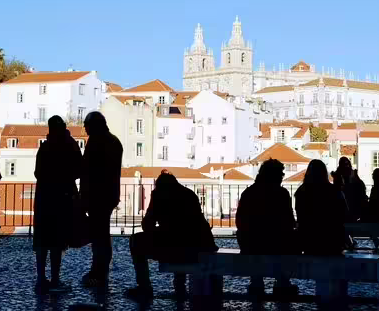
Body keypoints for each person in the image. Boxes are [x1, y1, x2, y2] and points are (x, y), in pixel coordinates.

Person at [126, 171, 217, 302]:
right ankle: (179, 285)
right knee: (177, 239)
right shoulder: (189, 194)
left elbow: (148, 224)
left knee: (136, 241)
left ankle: (144, 286)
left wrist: (157, 226)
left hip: (176, 246)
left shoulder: (159, 195)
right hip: (198, 247)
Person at [33, 115, 83, 293]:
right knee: (57, 241)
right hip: (62, 198)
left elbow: (38, 173)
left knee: (42, 241)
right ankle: (55, 279)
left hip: (43, 198)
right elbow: (79, 170)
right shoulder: (70, 146)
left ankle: (40, 278)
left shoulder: (44, 148)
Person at [236, 158, 298, 298]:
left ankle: (256, 282)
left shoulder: (248, 193)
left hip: (250, 246)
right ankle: (283, 281)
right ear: (276, 175)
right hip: (277, 245)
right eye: (281, 174)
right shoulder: (281, 194)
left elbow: (240, 221)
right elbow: (289, 223)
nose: (283, 176)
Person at [80, 111, 123, 288]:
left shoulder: (97, 142)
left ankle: (98, 270)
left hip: (97, 195)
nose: (85, 129)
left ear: (94, 125)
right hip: (109, 194)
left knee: (99, 236)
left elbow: (87, 168)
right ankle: (100, 269)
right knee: (102, 234)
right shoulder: (114, 141)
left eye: (87, 125)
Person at [295, 160, 348, 255]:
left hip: (309, 240)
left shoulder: (301, 192)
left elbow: (300, 217)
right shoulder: (334, 191)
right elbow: (344, 213)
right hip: (332, 239)